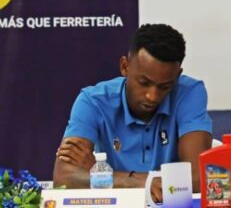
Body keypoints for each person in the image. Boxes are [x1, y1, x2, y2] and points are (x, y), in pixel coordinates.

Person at [54, 24, 213, 194]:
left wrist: (101, 173)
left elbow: (198, 178)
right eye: (144, 83)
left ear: (177, 75)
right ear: (125, 66)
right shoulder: (93, 101)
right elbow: (63, 178)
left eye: (165, 86)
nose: (152, 96)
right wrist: (143, 183)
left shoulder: (189, 93)